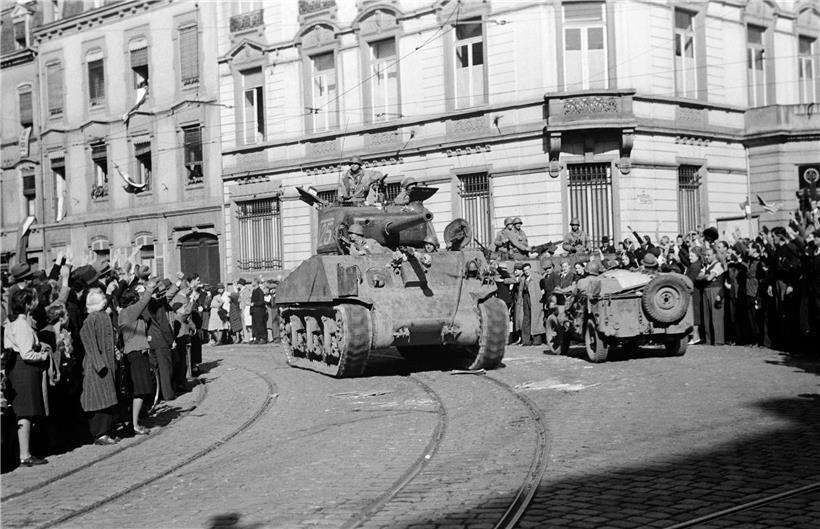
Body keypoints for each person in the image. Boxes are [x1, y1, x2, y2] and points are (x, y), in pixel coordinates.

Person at [4, 288, 52, 465]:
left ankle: (21, 451)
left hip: (16, 368)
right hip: (24, 368)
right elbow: (26, 353)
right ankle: (25, 454)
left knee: (22, 411)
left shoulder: (10, 322)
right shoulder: (23, 325)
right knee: (25, 412)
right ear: (26, 304)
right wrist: (42, 356)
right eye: (32, 301)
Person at [79, 288, 120, 445]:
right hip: (97, 367)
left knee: (107, 399)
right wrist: (99, 364)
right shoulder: (91, 320)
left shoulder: (103, 316)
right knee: (99, 399)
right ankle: (100, 434)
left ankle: (106, 431)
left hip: (108, 363)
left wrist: (116, 353)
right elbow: (89, 343)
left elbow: (110, 340)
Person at [117, 282, 157, 435]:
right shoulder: (129, 312)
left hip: (134, 352)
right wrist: (149, 289)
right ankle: (134, 425)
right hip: (136, 353)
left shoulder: (126, 314)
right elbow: (144, 302)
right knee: (140, 390)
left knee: (137, 389)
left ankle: (134, 421)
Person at [146, 279, 178, 402]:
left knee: (154, 369)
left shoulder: (145, 305)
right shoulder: (158, 305)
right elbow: (164, 325)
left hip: (150, 340)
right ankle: (168, 394)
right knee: (165, 368)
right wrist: (171, 340)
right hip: (161, 341)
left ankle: (156, 394)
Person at [513, 263, 544, 346]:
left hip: (535, 299)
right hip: (525, 298)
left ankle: (537, 340)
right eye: (525, 270)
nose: (526, 271)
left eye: (528, 269)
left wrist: (542, 292)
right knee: (526, 319)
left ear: (530, 269)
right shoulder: (522, 278)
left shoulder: (537, 276)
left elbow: (543, 282)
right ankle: (526, 340)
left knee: (536, 318)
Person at [250, 278, 267, 344]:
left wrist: (254, 303)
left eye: (252, 282)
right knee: (255, 326)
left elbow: (261, 302)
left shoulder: (260, 291)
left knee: (260, 325)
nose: (251, 283)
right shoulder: (254, 291)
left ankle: (263, 338)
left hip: (259, 311)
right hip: (254, 311)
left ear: (256, 283)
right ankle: (257, 338)